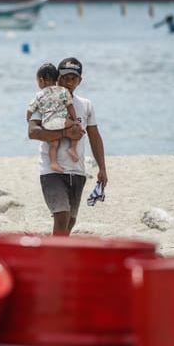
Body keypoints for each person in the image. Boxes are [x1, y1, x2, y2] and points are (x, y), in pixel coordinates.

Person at [27, 57, 108, 236]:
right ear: (57, 78)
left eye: (73, 78)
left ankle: (54, 255)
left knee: (70, 222)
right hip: (51, 170)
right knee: (61, 215)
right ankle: (53, 260)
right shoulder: (46, 100)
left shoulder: (85, 105)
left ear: (80, 80)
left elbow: (94, 137)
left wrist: (102, 168)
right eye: (64, 77)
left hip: (77, 172)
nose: (68, 82)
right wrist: (64, 134)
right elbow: (32, 132)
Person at [27, 62, 80, 172]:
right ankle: (72, 148)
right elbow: (70, 106)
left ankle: (53, 163)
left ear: (41, 80)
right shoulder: (63, 91)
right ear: (57, 79)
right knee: (76, 129)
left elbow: (30, 109)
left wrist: (28, 119)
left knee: (54, 144)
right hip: (61, 121)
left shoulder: (39, 94)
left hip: (47, 124)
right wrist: (74, 121)